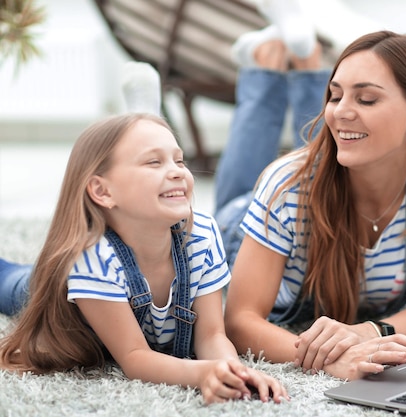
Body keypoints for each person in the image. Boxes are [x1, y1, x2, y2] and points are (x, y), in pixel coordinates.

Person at [216, 29, 406, 381]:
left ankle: (304, 55)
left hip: (309, 187)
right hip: (243, 224)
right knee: (248, 177)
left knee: (319, 152)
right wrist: (327, 359)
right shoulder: (285, 186)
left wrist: (367, 332)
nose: (340, 112)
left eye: (366, 99)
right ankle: (264, 63)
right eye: (334, 95)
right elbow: (239, 321)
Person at [0, 113, 288, 404]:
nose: (178, 172)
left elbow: (211, 335)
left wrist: (233, 373)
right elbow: (134, 357)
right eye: (154, 162)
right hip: (58, 287)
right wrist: (202, 374)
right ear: (102, 191)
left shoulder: (202, 234)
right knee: (14, 284)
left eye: (179, 161)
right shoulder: (91, 258)